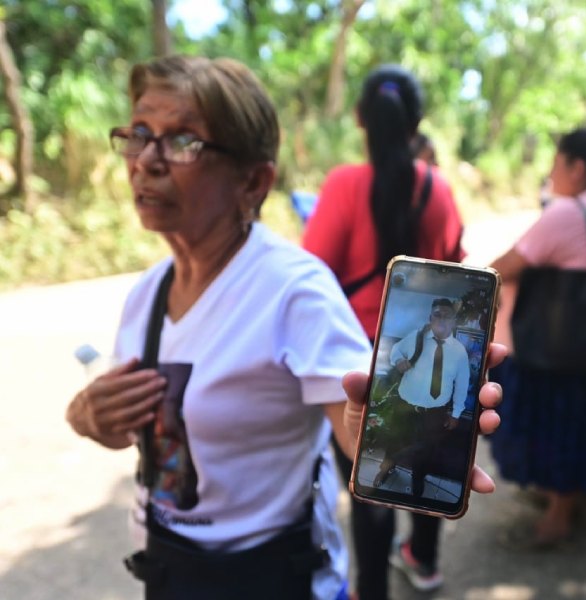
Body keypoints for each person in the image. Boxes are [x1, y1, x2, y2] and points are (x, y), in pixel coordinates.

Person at [63, 55, 506, 600]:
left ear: (254, 181)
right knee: (394, 492)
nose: (147, 160)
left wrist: (363, 414)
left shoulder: (296, 288)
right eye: (138, 133)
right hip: (169, 567)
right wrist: (89, 418)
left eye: (182, 140)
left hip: (280, 560)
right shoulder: (145, 294)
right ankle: (420, 560)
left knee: (387, 477)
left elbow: (344, 408)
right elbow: (454, 254)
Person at [302, 65, 463, 597]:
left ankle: (372, 587)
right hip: (428, 354)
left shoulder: (343, 185)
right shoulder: (438, 190)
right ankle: (425, 559)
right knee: (424, 450)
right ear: (418, 121)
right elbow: (457, 266)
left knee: (369, 477)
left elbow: (313, 277)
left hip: (360, 364)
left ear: (359, 118)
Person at [488, 128, 586, 548]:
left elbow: (506, 264)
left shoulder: (569, 213)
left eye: (556, 164)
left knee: (548, 428)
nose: (551, 173)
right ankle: (560, 503)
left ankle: (558, 518)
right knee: (575, 428)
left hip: (551, 349)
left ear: (577, 167)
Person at [371, 298, 470, 497]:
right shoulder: (416, 337)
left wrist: (457, 413)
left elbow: (462, 383)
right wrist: (398, 360)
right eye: (437, 314)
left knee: (426, 451)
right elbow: (395, 350)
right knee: (395, 440)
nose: (441, 318)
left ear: (453, 320)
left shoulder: (459, 351)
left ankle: (418, 480)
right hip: (404, 406)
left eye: (447, 315)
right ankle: (386, 469)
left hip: (434, 413)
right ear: (430, 317)